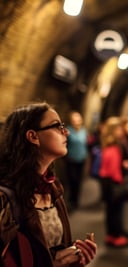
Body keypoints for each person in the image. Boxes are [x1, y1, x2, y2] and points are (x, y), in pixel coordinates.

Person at [0, 102, 97, 266]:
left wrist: (68, 256)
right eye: (56, 126)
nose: (65, 132)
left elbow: (43, 251)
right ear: (33, 137)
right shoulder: (5, 198)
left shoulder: (52, 187)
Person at [99, 116, 128, 247]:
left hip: (106, 183)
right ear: (113, 130)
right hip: (113, 182)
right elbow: (114, 171)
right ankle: (117, 237)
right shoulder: (114, 148)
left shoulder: (107, 145)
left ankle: (111, 235)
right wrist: (121, 182)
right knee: (116, 211)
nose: (121, 131)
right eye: (119, 129)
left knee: (110, 211)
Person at [65, 111, 88, 210]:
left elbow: (85, 143)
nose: (76, 122)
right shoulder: (68, 131)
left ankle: (76, 199)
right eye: (74, 120)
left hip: (81, 158)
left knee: (78, 180)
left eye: (78, 119)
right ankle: (71, 198)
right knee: (72, 179)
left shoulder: (83, 131)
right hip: (71, 158)